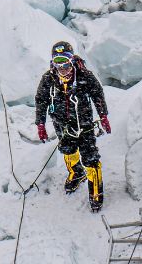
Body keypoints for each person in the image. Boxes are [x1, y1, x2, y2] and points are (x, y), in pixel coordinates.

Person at [35, 41, 111, 213]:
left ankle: (96, 192)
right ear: (53, 63)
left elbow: (97, 94)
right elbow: (41, 101)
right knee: (68, 152)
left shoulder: (85, 76)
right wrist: (40, 123)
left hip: (84, 126)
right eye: (58, 63)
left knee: (91, 160)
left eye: (66, 62)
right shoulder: (49, 79)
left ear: (72, 60)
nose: (62, 68)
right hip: (62, 127)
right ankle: (76, 173)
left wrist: (103, 115)